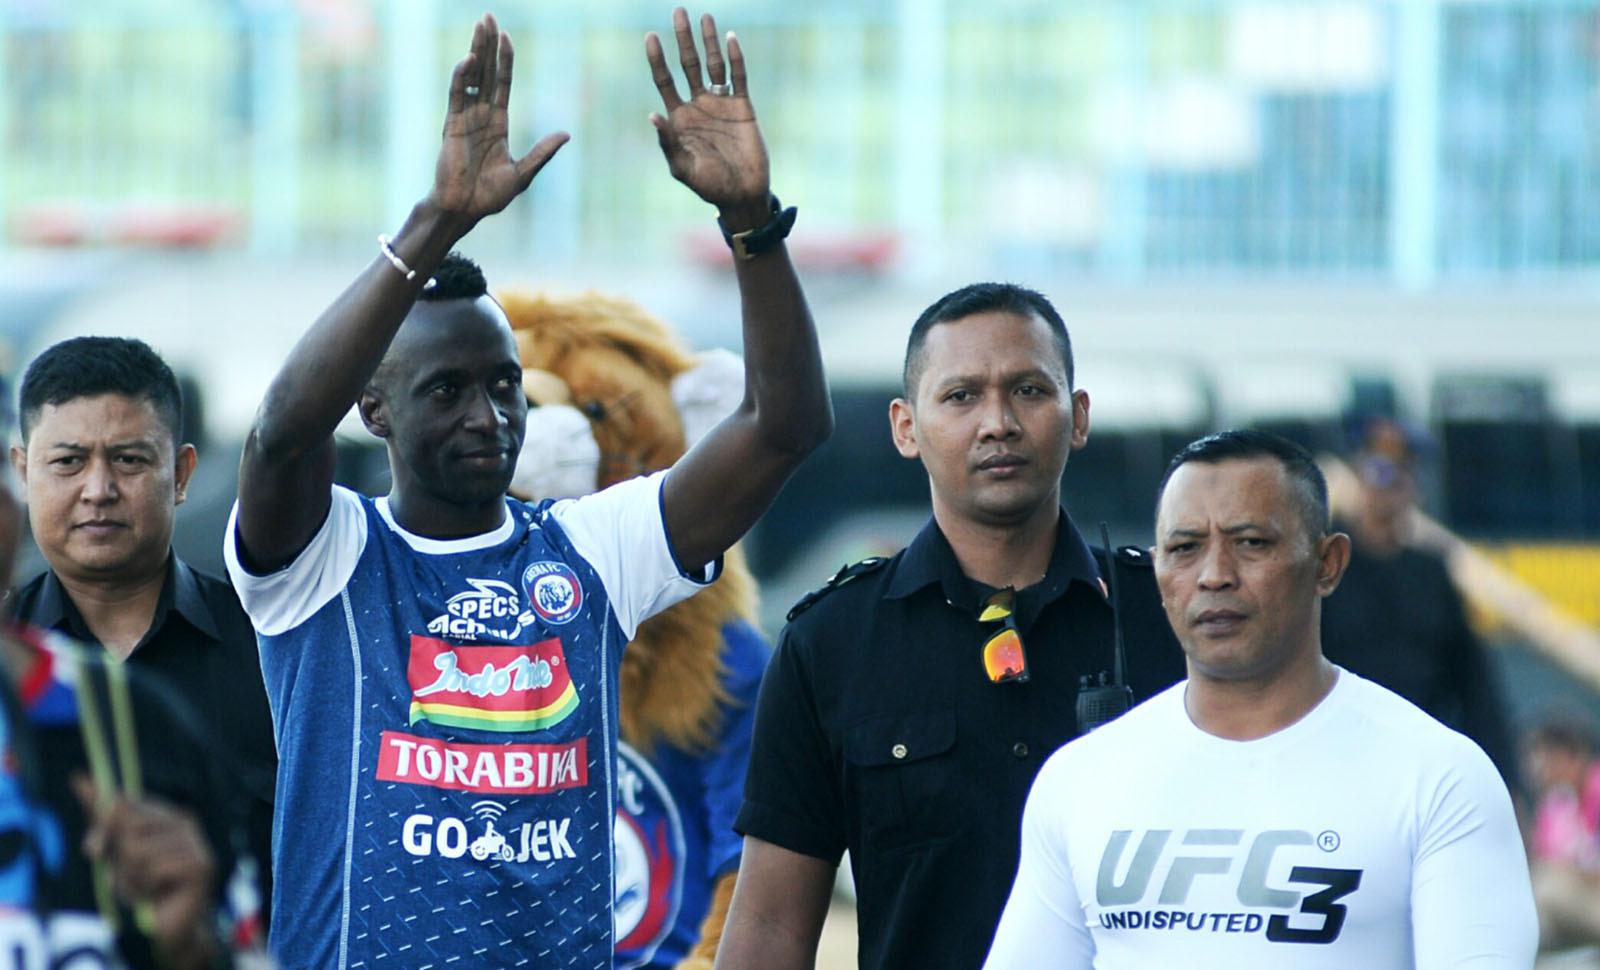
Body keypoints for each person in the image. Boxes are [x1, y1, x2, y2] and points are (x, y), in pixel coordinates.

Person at [222, 9, 829, 969]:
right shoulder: (325, 560)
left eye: (504, 385)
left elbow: (783, 427)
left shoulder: (591, 550)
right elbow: (283, 431)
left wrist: (752, 222)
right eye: (446, 389)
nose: (487, 415)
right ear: (374, 412)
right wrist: (439, 221)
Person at [716, 283, 1186, 970]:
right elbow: (769, 926)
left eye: (1028, 390)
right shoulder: (829, 645)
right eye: (961, 396)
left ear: (1077, 416)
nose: (998, 422)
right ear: (906, 427)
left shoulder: (1170, 620)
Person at [985, 429, 1536, 969]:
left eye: (1251, 543)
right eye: (1184, 548)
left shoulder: (1442, 779)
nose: (1214, 576)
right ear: (1155, 570)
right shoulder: (1080, 780)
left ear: (1327, 564)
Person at [8, 335, 277, 918]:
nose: (98, 490)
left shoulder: (270, 653)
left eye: (129, 460)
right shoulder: (9, 660)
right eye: (68, 461)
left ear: (181, 473)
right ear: (23, 471)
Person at [1321, 415, 1520, 788]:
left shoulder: (1430, 572)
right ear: (1357, 472)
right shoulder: (1324, 561)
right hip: (1335, 757)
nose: (1389, 482)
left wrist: (1506, 780)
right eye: (1379, 468)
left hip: (1414, 766)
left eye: (1402, 471)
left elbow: (1474, 684)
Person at [1525, 715, 1600, 953]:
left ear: (1573, 756)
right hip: (1572, 908)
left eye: (1549, 761)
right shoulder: (1555, 803)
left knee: (1548, 885)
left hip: (1587, 899)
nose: (1542, 771)